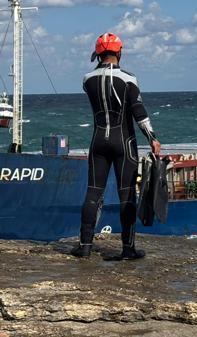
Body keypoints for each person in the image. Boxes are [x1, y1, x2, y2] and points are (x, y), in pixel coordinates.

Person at [72, 33, 161, 260]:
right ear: (119, 52)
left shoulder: (87, 79)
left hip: (98, 141)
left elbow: (99, 80)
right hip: (124, 142)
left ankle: (84, 246)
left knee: (93, 192)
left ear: (97, 53)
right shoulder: (129, 79)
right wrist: (152, 138)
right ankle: (128, 248)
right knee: (127, 195)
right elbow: (139, 113)